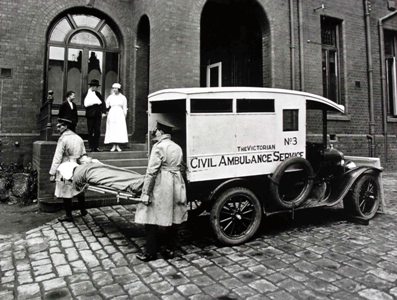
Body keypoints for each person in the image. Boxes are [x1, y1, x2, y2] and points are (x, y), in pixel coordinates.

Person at [135, 120, 188, 262]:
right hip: (176, 181)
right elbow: (182, 167)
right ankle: (170, 249)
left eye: (157, 130)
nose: (155, 133)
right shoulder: (177, 147)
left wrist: (146, 192)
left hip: (162, 183)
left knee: (150, 216)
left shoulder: (158, 147)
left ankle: (150, 252)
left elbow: (151, 171)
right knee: (174, 215)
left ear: (162, 132)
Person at [49, 118, 88, 222]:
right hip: (77, 165)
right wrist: (84, 167)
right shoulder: (79, 138)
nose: (58, 128)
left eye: (60, 126)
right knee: (79, 187)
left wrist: (52, 172)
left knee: (66, 189)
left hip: (65, 166)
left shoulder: (63, 139)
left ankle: (68, 215)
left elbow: (57, 157)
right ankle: (83, 210)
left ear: (66, 126)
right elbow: (83, 154)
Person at [104, 83, 128, 151]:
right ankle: (113, 145)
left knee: (119, 129)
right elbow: (106, 106)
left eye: (116, 88)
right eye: (113, 88)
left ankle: (118, 146)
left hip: (120, 114)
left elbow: (125, 107)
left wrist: (124, 115)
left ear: (119, 89)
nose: (114, 89)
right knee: (112, 129)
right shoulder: (110, 97)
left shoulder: (123, 97)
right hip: (112, 114)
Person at [84, 79, 106, 152]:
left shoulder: (98, 94)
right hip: (90, 114)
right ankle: (91, 147)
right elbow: (85, 104)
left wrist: (103, 112)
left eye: (96, 87)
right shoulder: (86, 94)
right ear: (91, 86)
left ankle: (96, 147)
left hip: (97, 114)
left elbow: (103, 103)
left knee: (97, 131)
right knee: (90, 130)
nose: (95, 88)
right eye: (93, 86)